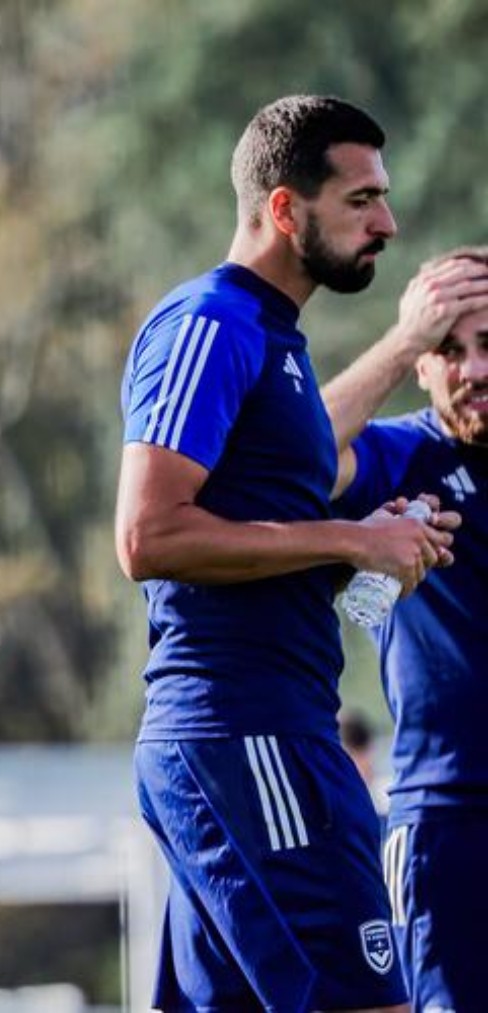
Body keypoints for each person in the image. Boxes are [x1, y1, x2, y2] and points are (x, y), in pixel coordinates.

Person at [115, 94, 460, 1012]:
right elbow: (148, 535)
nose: (386, 220)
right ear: (282, 208)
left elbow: (254, 536)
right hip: (246, 731)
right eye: (360, 200)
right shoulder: (212, 323)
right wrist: (352, 536)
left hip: (262, 728)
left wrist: (365, 547)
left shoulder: (280, 344)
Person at [320, 244, 488, 1011]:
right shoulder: (404, 454)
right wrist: (401, 338)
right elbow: (295, 454)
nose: (473, 370)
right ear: (422, 364)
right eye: (448, 349)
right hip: (449, 823)